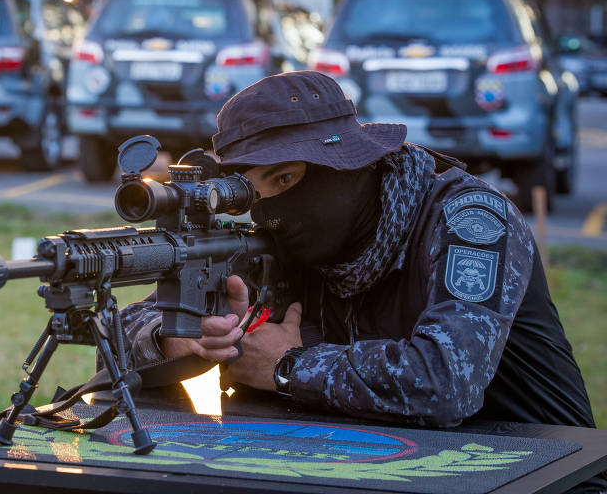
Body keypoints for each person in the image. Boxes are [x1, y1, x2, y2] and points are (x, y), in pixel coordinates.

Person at [115, 71, 605, 492]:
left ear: (351, 163)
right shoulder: (273, 241)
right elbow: (120, 341)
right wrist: (173, 340)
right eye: (253, 190)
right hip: (367, 474)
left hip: (540, 475)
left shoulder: (468, 219)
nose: (273, 210)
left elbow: (445, 381)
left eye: (284, 179)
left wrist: (287, 367)